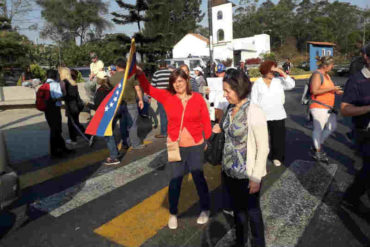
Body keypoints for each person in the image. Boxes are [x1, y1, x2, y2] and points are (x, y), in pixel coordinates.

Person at [136, 67, 212, 230]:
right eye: (174, 82)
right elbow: (149, 89)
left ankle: (205, 209)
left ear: (186, 80)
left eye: (180, 81)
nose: (177, 84)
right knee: (175, 180)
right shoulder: (167, 96)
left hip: (196, 145)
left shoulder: (198, 98)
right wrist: (141, 73)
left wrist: (207, 139)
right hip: (175, 144)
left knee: (199, 178)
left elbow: (206, 120)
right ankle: (173, 213)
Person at [212, 69, 269, 247]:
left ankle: (259, 243)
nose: (225, 94)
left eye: (228, 91)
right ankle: (241, 241)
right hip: (229, 171)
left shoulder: (254, 111)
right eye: (225, 90)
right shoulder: (230, 109)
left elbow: (263, 147)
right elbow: (227, 129)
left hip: (248, 174)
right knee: (238, 212)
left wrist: (256, 178)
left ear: (239, 90)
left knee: (252, 213)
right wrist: (218, 129)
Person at [341, 43, 370, 212]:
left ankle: (351, 197)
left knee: (366, 172)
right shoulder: (356, 80)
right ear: (366, 57)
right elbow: (345, 109)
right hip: (365, 132)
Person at [251, 60, 295, 166]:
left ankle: (277, 157)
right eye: (270, 71)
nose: (272, 73)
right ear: (264, 71)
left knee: (278, 139)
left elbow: (291, 85)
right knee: (262, 139)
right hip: (262, 116)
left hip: (278, 114)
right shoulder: (258, 83)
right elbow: (254, 101)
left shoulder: (278, 81)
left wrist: (281, 71)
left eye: (273, 71)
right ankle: (261, 156)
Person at [309, 56, 343, 162]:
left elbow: (327, 89)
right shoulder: (317, 74)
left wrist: (336, 91)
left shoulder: (326, 75)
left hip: (328, 107)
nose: (332, 67)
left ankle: (316, 146)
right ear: (326, 65)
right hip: (318, 106)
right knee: (318, 129)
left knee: (331, 127)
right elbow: (314, 91)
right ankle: (317, 150)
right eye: (332, 65)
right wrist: (332, 88)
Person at [109, 58, 145, 150]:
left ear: (116, 67)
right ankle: (135, 144)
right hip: (131, 102)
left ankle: (125, 143)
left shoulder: (111, 78)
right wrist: (141, 100)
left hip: (119, 104)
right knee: (132, 124)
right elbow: (138, 89)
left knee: (123, 124)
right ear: (126, 67)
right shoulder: (131, 76)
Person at [59, 67, 94, 146]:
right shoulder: (72, 82)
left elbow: (69, 96)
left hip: (71, 106)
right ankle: (76, 137)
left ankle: (85, 137)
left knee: (73, 124)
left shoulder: (65, 82)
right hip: (77, 105)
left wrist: (59, 98)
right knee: (74, 123)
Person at [44, 70, 73, 158]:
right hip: (55, 109)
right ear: (55, 76)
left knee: (54, 129)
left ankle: (62, 148)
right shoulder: (55, 85)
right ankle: (55, 151)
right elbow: (59, 97)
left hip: (47, 110)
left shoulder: (44, 85)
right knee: (56, 130)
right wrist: (65, 95)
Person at [151, 60, 171, 138]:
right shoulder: (170, 73)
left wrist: (150, 97)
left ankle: (164, 132)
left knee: (163, 115)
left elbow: (153, 86)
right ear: (166, 65)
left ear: (159, 66)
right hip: (170, 96)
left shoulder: (156, 73)